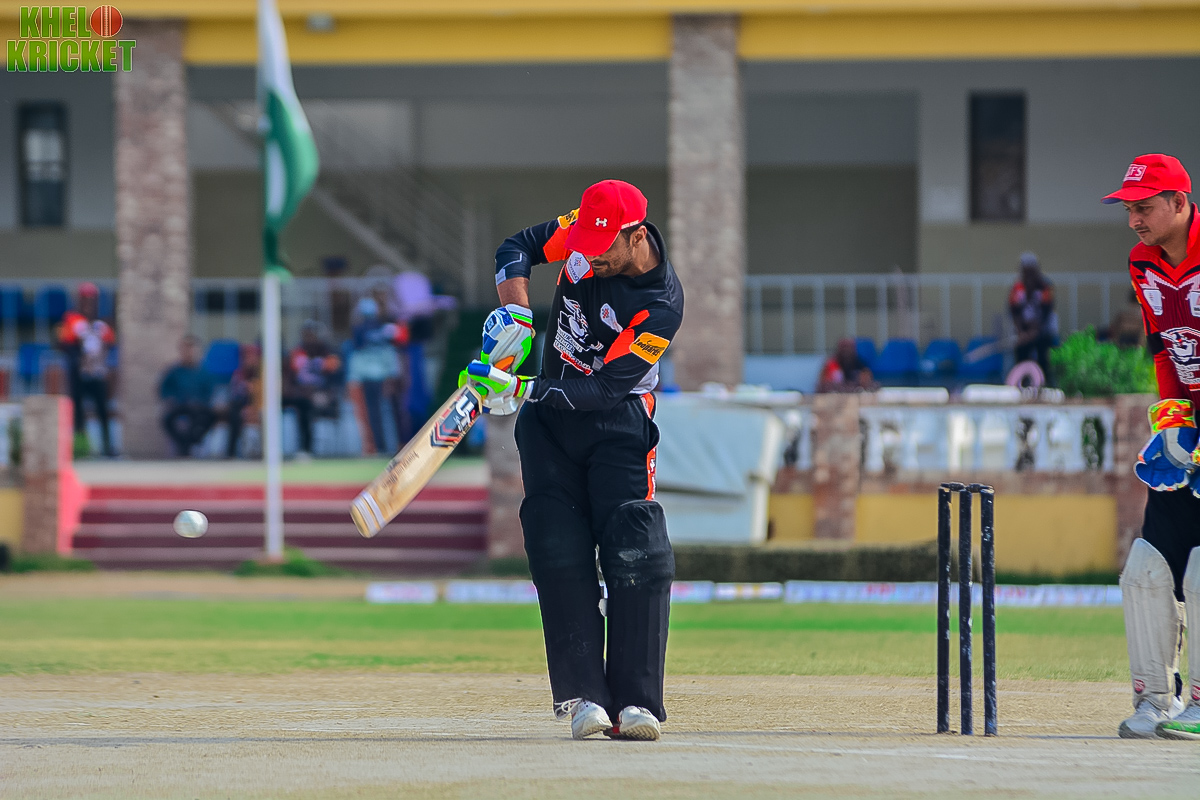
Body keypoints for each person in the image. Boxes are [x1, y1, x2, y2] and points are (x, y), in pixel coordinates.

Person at [460, 179, 683, 741]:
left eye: (602, 247)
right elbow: (517, 246)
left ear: (636, 237)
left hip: (618, 423)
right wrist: (516, 314)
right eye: (584, 243)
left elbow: (606, 388)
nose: (588, 255)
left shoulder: (661, 304)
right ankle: (585, 697)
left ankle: (637, 703)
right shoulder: (586, 232)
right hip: (550, 426)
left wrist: (521, 389)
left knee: (635, 548)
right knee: (556, 545)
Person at [1102, 153, 1200, 740]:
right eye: (1129, 210)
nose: (1134, 220)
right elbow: (1164, 347)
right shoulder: (1143, 262)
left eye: (1144, 207)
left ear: (1180, 203)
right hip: (1190, 425)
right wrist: (1174, 417)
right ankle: (1156, 700)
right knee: (1148, 565)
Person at [58, 282, 116, 457]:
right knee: (78, 411)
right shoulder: (72, 320)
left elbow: (110, 344)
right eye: (85, 299)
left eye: (92, 299)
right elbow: (64, 344)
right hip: (78, 374)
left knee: (102, 410)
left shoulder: (101, 324)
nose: (88, 303)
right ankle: (81, 448)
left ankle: (107, 447)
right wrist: (80, 356)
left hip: (97, 373)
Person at [347, 297, 406, 455]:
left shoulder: (361, 329)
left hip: (375, 376)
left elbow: (358, 352)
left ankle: (381, 447)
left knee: (377, 413)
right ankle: (392, 446)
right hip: (383, 375)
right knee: (390, 412)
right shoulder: (385, 328)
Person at [284, 322, 342, 458]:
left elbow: (334, 377)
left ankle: (307, 448)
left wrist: (323, 391)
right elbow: (290, 377)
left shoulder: (327, 353)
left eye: (311, 334)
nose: (308, 337)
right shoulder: (297, 352)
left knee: (307, 404)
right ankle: (300, 449)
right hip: (301, 394)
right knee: (301, 403)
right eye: (306, 334)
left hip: (322, 393)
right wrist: (295, 390)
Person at [159, 336, 217, 457]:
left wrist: (201, 402)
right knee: (168, 420)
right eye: (185, 349)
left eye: (191, 349)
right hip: (180, 406)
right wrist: (170, 399)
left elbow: (210, 392)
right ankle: (183, 445)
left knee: (207, 418)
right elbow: (164, 389)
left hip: (199, 407)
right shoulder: (174, 372)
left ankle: (191, 444)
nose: (188, 353)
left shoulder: (204, 373)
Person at [1008, 252, 1057, 375]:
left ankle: (1044, 380)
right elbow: (1014, 311)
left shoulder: (1045, 287)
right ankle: (1022, 381)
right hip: (1024, 331)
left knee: (1043, 357)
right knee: (1021, 355)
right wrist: (1021, 331)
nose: (1028, 275)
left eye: (1031, 271)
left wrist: (1036, 330)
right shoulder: (1017, 287)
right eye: (1025, 272)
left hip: (1043, 331)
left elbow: (1047, 310)